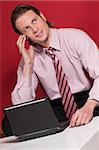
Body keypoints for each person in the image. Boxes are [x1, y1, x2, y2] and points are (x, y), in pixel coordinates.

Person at [2, 4, 99, 136]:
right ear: (23, 36)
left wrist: (89, 107)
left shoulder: (75, 37)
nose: (35, 29)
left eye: (34, 21)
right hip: (57, 107)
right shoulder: (28, 59)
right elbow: (21, 107)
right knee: (9, 123)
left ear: (42, 16)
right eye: (27, 28)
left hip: (86, 98)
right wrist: (28, 64)